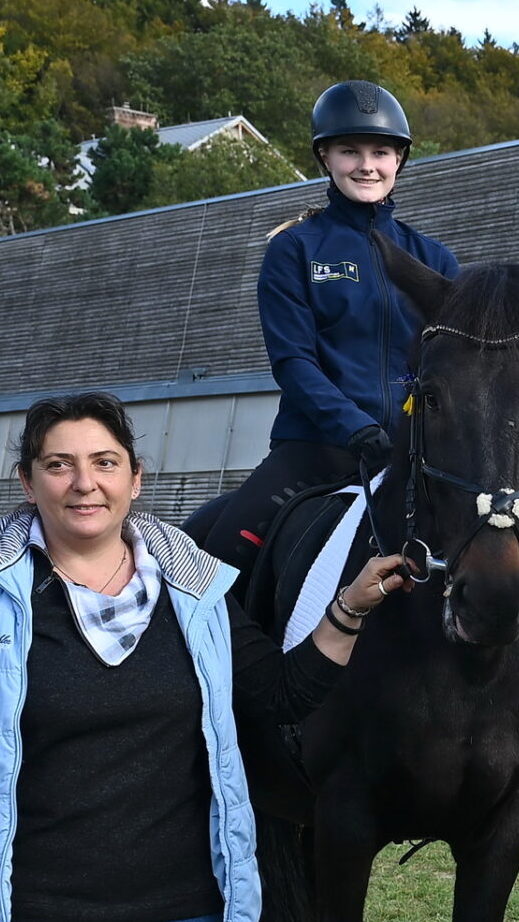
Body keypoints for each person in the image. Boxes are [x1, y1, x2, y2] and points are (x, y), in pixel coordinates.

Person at [0, 392, 409, 922]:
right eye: (59, 465)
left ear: (135, 479)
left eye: (105, 463)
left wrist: (349, 607)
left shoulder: (196, 590)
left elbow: (279, 694)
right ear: (28, 483)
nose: (85, 484)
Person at [182, 81, 459, 568]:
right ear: (325, 158)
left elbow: (458, 364)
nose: (366, 165)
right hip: (319, 451)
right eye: (350, 151)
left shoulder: (435, 260)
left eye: (380, 151)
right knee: (219, 556)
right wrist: (357, 429)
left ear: (399, 160)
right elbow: (293, 362)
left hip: (415, 455)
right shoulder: (294, 249)